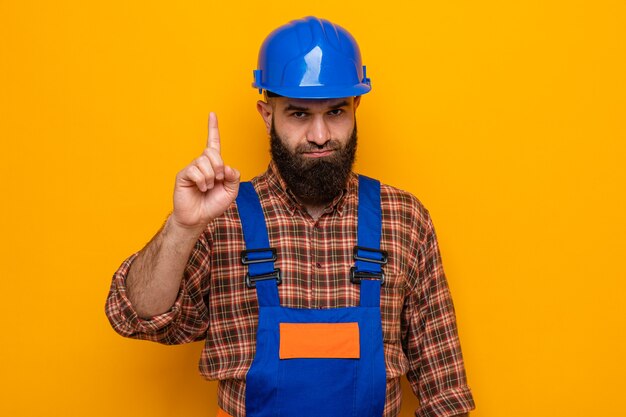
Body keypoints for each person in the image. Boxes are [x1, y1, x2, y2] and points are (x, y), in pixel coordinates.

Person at [106, 16, 475, 417]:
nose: (319, 135)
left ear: (356, 107)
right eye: (299, 114)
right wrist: (183, 227)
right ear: (267, 114)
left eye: (336, 112)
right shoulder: (222, 220)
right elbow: (134, 316)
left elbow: (445, 394)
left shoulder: (404, 220)